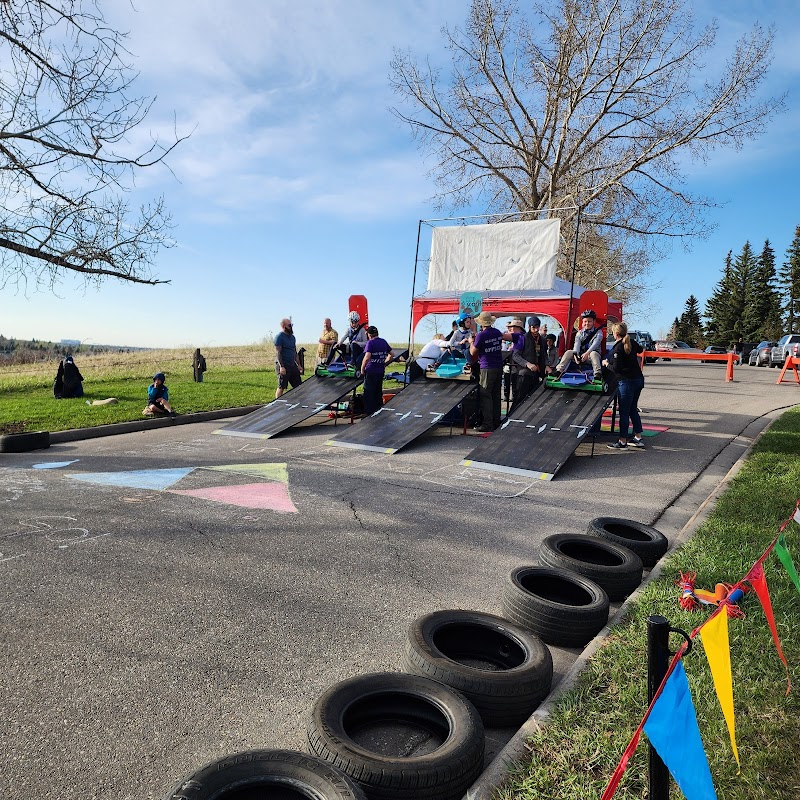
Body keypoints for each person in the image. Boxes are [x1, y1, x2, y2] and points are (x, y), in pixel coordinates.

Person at [603, 321, 645, 449]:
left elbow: (616, 368)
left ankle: (622, 441)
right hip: (638, 380)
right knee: (633, 409)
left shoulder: (618, 348)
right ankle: (638, 437)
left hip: (626, 382)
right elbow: (640, 349)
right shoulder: (631, 342)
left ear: (615, 333)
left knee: (624, 412)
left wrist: (606, 364)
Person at [470, 311, 504, 432]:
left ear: (481, 323)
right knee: (496, 395)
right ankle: (496, 421)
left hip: (487, 367)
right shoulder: (497, 332)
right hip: (498, 366)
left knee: (486, 395)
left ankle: (487, 424)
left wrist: (471, 342)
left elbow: (473, 352)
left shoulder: (481, 335)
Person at [552, 309, 604, 381]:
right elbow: (576, 344)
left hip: (591, 356)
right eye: (585, 321)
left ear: (594, 322)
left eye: (589, 321)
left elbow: (595, 344)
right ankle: (559, 370)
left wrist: (587, 353)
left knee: (593, 353)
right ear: (582, 322)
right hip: (581, 356)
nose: (587, 323)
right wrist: (576, 356)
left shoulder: (599, 332)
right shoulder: (579, 333)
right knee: (569, 352)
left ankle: (597, 373)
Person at [511, 316, 547, 410]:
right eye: (533, 327)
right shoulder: (523, 338)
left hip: (537, 374)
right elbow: (515, 356)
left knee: (533, 402)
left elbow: (543, 356)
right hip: (524, 373)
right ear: (529, 327)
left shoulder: (542, 340)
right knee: (519, 399)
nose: (535, 330)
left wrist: (546, 366)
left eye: (537, 327)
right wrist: (527, 364)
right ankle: (510, 418)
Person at [361, 325, 393, 414]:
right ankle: (378, 410)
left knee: (368, 392)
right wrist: (384, 363)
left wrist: (362, 368)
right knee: (378, 391)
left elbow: (367, 357)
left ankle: (369, 412)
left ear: (369, 335)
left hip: (371, 371)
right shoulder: (383, 342)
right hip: (380, 370)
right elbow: (391, 354)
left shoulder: (370, 343)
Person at [274, 317, 303, 399]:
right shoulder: (279, 337)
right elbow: (278, 352)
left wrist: (298, 365)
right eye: (289, 325)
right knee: (282, 386)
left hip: (292, 364)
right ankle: (277, 403)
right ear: (284, 326)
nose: (291, 327)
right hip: (283, 364)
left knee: (298, 385)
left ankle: (298, 402)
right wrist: (282, 367)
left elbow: (294, 352)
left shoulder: (292, 338)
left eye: (292, 325)